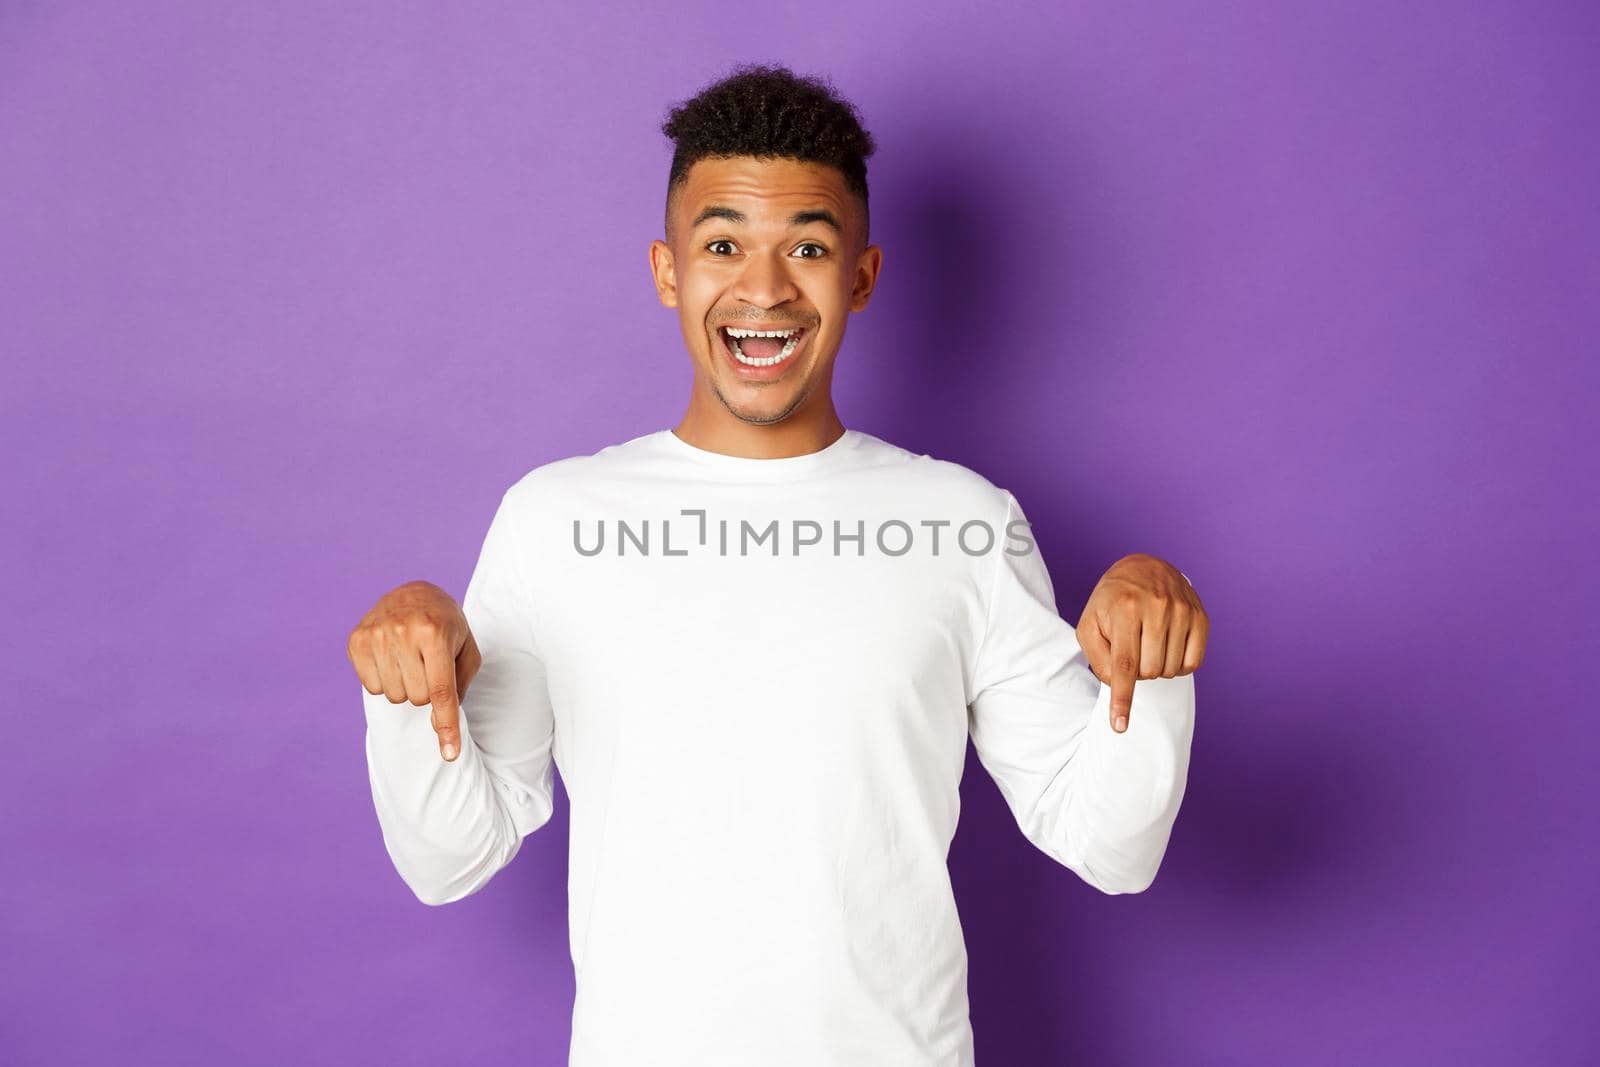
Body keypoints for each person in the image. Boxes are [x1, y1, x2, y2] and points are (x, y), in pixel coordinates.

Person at [346, 62, 1208, 1067]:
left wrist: (1150, 648)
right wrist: (406, 682)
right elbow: (449, 856)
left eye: (807, 246)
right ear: (669, 270)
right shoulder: (554, 521)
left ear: (863, 276)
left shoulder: (963, 521)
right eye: (723, 246)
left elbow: (1111, 842)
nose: (763, 289)